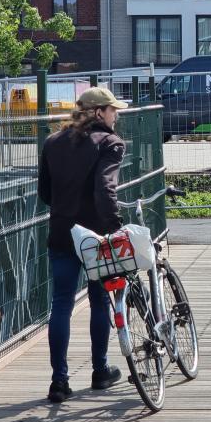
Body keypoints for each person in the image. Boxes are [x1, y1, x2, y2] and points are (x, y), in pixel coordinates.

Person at [38, 87, 128, 403]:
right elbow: (106, 191)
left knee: (61, 304)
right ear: (99, 112)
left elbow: (45, 194)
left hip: (62, 232)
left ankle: (59, 382)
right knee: (99, 300)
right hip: (94, 236)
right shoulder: (110, 144)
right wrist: (115, 228)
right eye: (113, 110)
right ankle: (100, 371)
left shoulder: (52, 142)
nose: (116, 115)